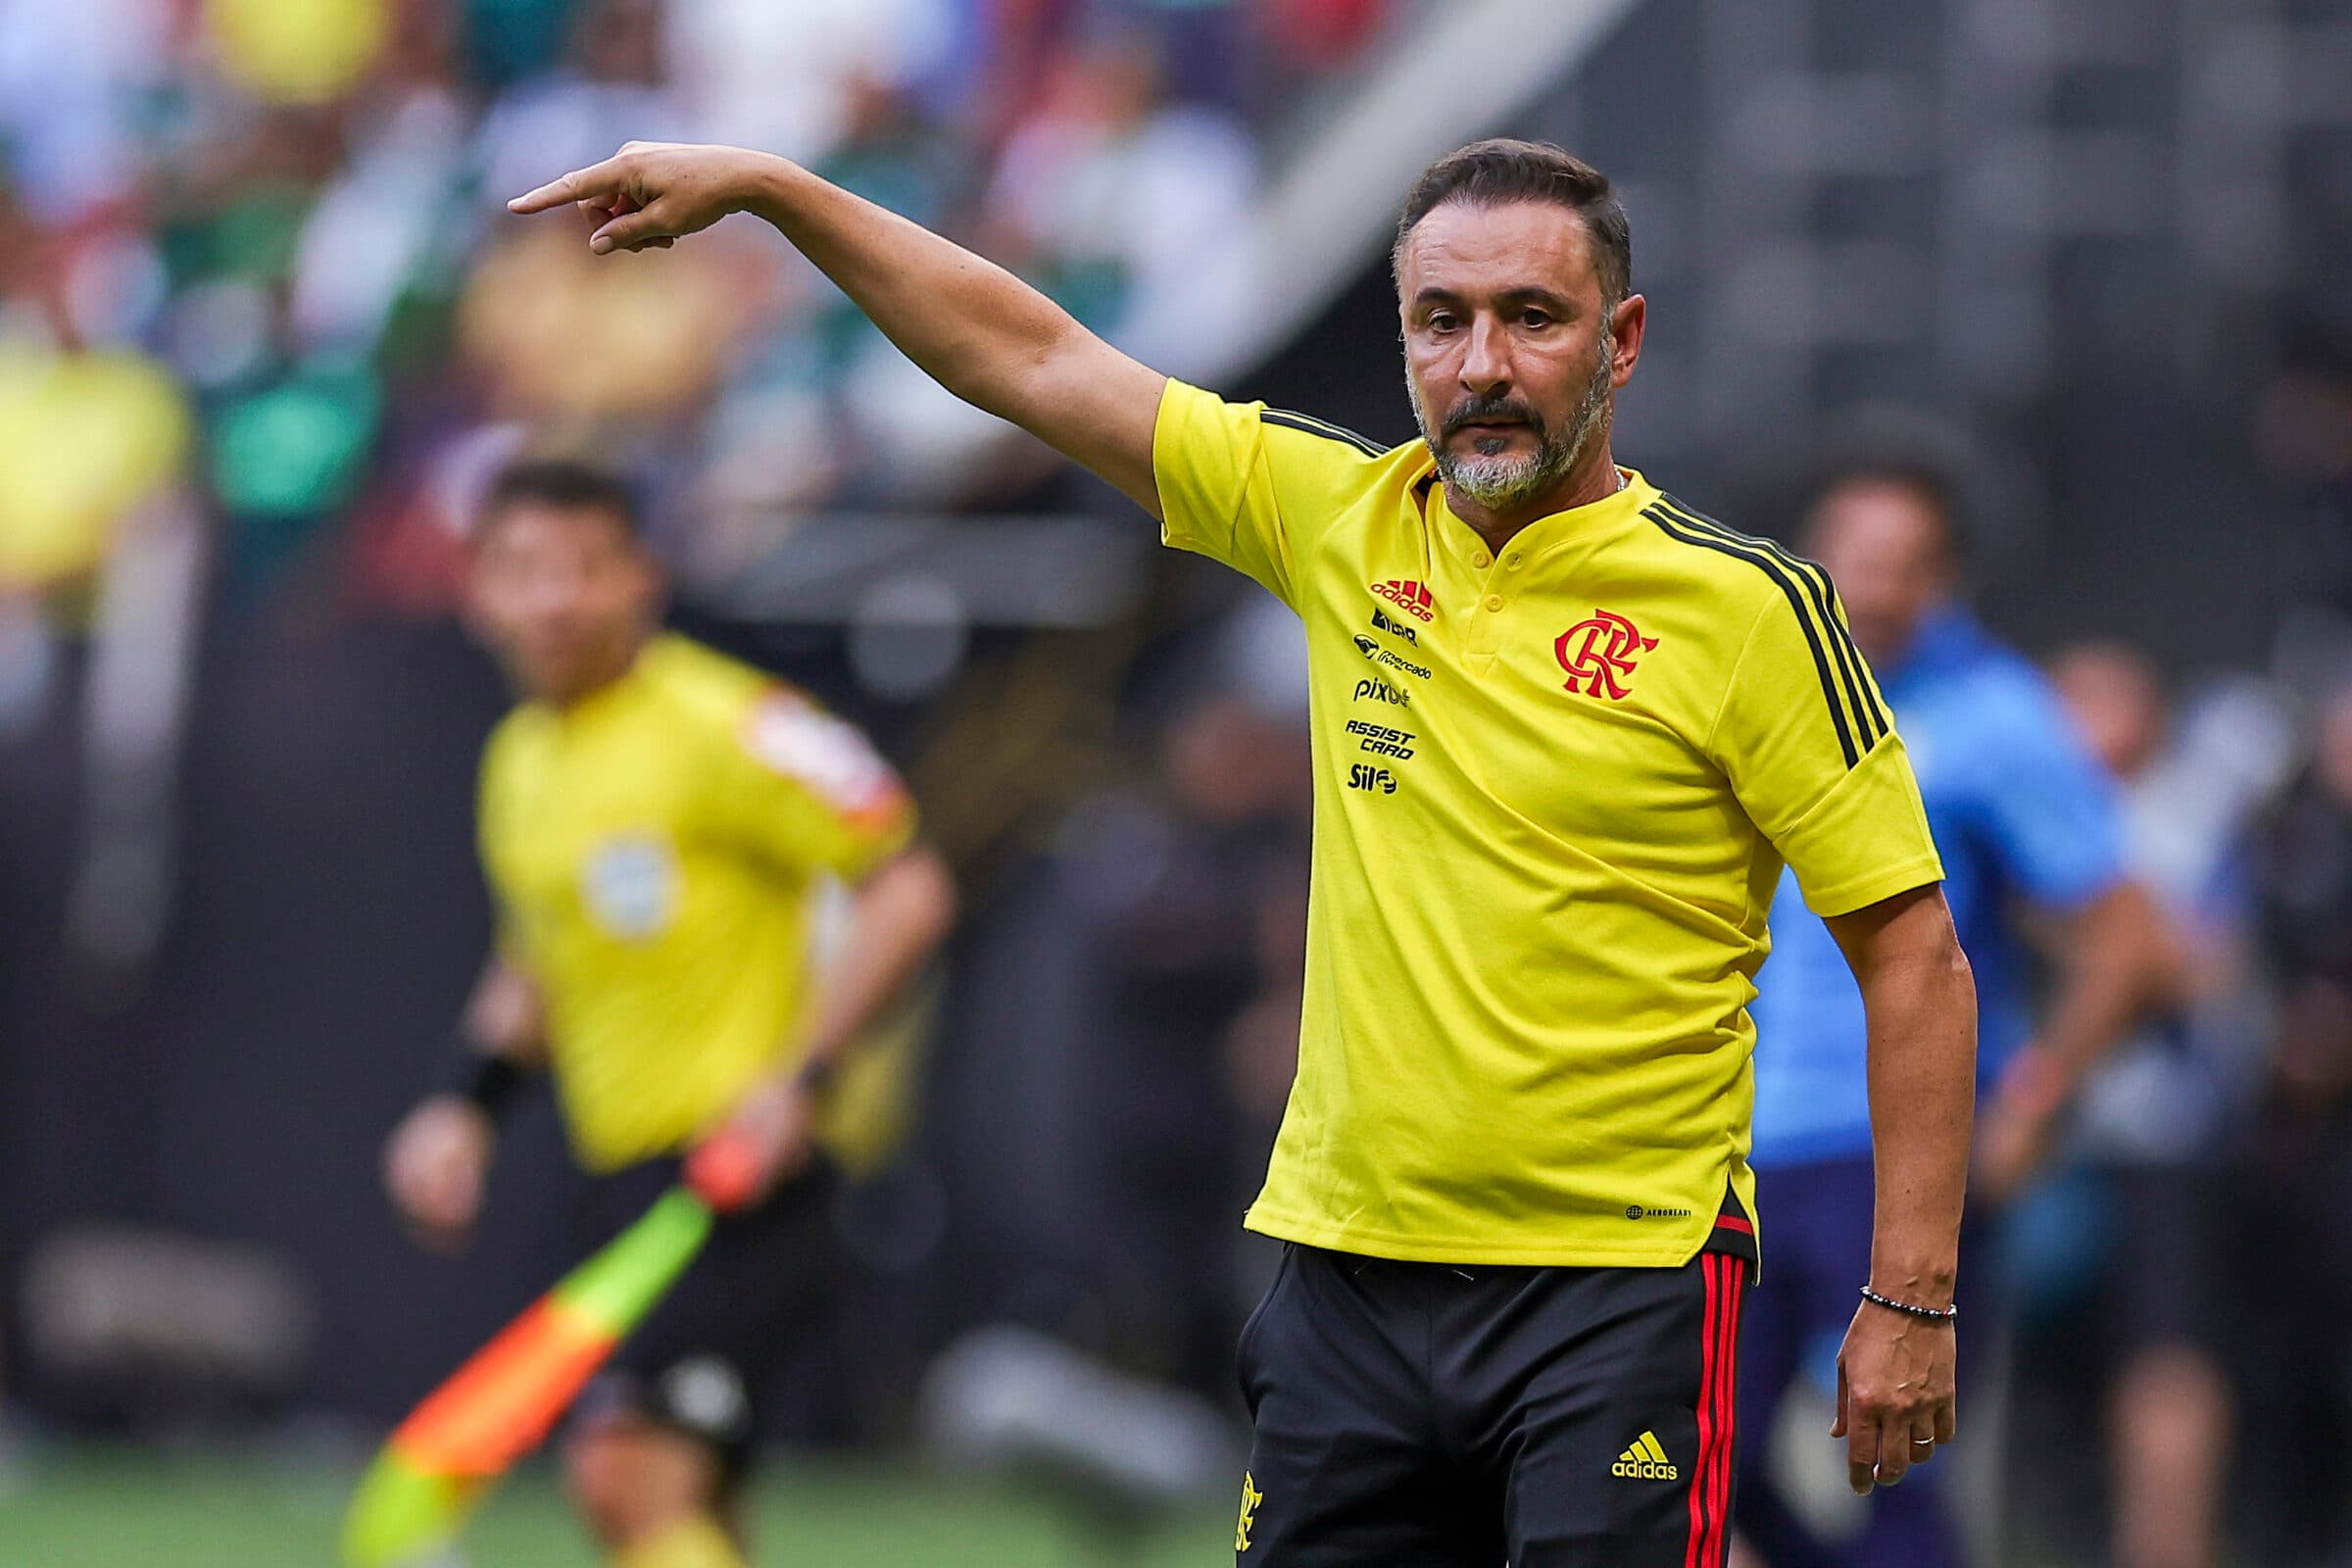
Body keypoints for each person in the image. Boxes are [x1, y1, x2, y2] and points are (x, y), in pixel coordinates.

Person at [508, 135, 1976, 1566]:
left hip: (1624, 1284)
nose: (1481, 365)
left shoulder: (1754, 614)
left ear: (1624, 338)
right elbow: (1025, 359)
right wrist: (782, 191)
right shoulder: (1343, 517)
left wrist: (1909, 1300)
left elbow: (1912, 957)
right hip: (1348, 1281)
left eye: (1533, 319)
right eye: (1440, 319)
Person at [381, 460, 956, 1568]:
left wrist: (800, 1080)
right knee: (681, 1508)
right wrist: (465, 1107)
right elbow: (537, 958)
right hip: (631, 1186)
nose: (555, 599)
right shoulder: (521, 759)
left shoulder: (729, 724)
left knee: (627, 1473)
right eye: (523, 570)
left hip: (747, 1183)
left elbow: (910, 887)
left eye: (586, 568)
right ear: (477, 590)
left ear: (641, 578)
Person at [1734, 471, 2172, 1568]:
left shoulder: (1992, 715)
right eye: (1852, 554)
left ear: (1944, 580)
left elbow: (2124, 930)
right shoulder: (1748, 677)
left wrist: (2040, 1092)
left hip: (1886, 1151)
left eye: (1901, 563)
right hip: (1718, 1139)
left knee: (1892, 1472)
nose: (1871, 585)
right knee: (1690, 1464)